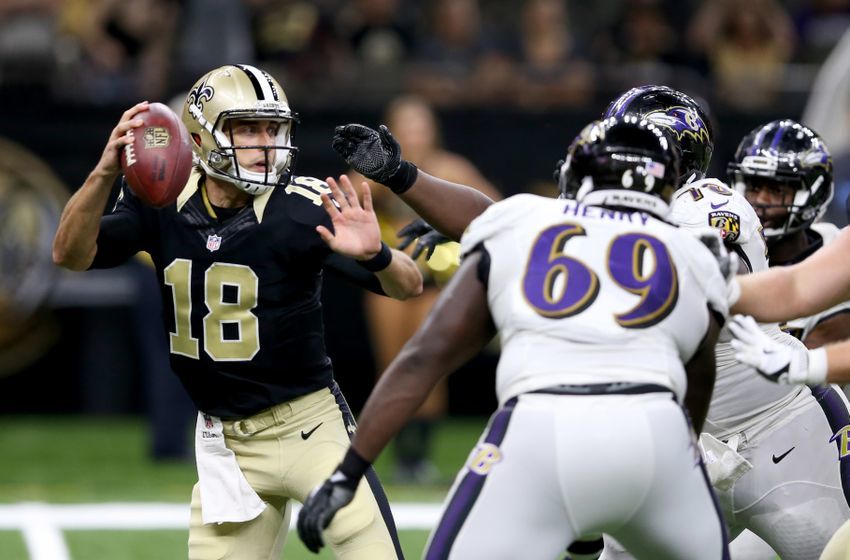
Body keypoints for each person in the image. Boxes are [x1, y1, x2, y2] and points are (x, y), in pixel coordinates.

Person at [298, 116, 730, 559]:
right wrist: (685, 453)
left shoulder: (525, 222)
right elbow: (700, 376)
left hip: (543, 428)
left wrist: (347, 474)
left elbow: (423, 359)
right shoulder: (698, 253)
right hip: (656, 437)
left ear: (576, 174)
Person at [52, 63, 422, 560]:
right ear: (201, 136)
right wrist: (104, 172)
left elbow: (409, 285)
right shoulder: (161, 199)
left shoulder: (301, 207)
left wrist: (377, 254)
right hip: (226, 443)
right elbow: (71, 255)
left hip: (309, 428)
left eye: (274, 128)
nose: (266, 143)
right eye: (248, 128)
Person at [669, 178, 850, 560]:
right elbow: (796, 286)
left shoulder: (704, 212)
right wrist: (718, 290)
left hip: (786, 429)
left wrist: (813, 362)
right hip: (706, 442)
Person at [352, 95, 501, 483]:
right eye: (406, 126)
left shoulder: (450, 168)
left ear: (432, 131)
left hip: (434, 277)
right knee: (391, 359)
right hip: (389, 276)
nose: (414, 134)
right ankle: (400, 453)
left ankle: (419, 456)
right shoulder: (377, 172)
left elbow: (496, 210)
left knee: (426, 360)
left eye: (420, 126)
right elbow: (346, 201)